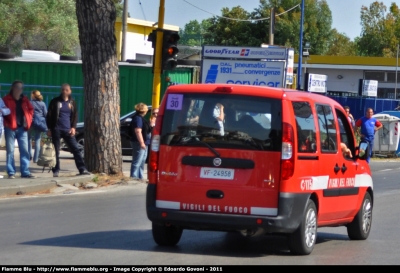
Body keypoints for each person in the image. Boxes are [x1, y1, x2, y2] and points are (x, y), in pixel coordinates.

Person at [46, 83, 90, 177]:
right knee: (56, 151)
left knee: (76, 149)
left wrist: (73, 127)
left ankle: (82, 169)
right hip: (56, 129)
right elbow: (49, 116)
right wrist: (49, 128)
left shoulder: (72, 102)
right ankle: (56, 170)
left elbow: (75, 116)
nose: (64, 91)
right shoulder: (55, 101)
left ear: (70, 91)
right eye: (62, 89)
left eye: (66, 90)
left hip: (68, 130)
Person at [2, 80, 35, 179]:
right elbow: (2, 112)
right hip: (10, 128)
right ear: (14, 88)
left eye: (22, 88)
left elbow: (31, 110)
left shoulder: (24, 99)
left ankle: (25, 171)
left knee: (24, 150)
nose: (21, 90)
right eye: (19, 87)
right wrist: (6, 122)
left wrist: (28, 119)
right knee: (10, 151)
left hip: (22, 128)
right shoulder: (6, 99)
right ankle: (11, 172)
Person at [130, 103, 151, 180]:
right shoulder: (138, 119)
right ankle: (134, 177)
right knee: (137, 161)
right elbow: (138, 131)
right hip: (139, 143)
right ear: (144, 110)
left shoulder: (140, 118)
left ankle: (140, 177)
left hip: (144, 143)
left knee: (142, 161)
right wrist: (142, 143)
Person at [28, 90, 47, 163]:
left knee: (28, 138)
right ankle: (36, 158)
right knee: (37, 140)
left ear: (33, 96)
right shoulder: (42, 104)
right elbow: (45, 114)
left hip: (31, 122)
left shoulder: (30, 103)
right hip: (39, 123)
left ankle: (29, 155)